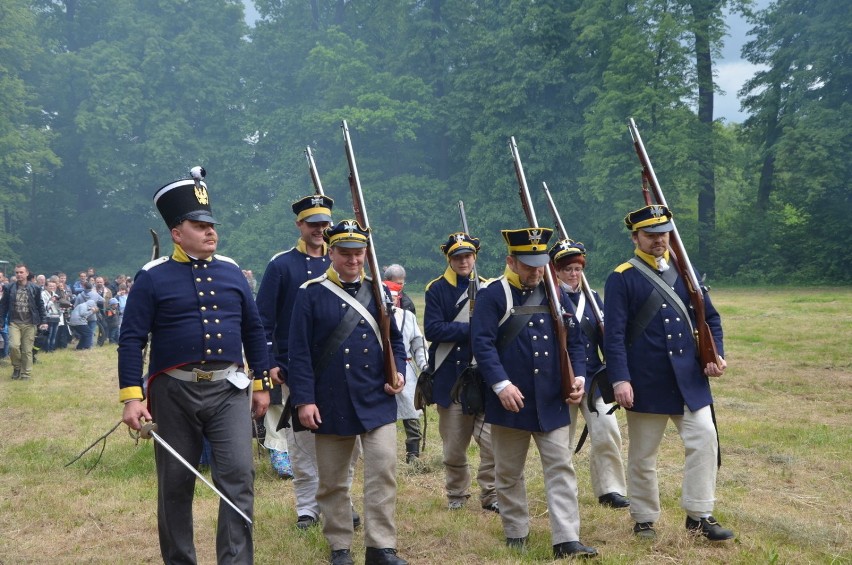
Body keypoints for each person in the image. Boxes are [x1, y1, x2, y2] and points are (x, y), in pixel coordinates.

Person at [118, 169, 272, 564]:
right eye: (199, 225)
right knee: (175, 485)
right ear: (176, 232)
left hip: (229, 390)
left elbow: (254, 330)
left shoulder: (232, 271)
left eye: (211, 225)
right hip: (173, 393)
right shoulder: (152, 277)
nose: (210, 232)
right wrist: (132, 398)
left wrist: (261, 383)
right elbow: (132, 340)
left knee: (239, 477)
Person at [603, 204, 733, 541]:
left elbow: (711, 318)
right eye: (650, 234)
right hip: (645, 380)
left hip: (689, 377)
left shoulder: (685, 270)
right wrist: (621, 379)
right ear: (636, 237)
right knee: (644, 454)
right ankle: (644, 517)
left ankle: (700, 513)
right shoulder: (621, 277)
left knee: (705, 438)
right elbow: (613, 335)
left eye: (663, 233)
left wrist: (715, 353)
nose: (658, 240)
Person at [470, 228, 597, 559]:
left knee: (561, 467)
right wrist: (501, 384)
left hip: (552, 399)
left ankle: (567, 539)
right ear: (511, 260)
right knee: (509, 472)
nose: (537, 271)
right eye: (529, 265)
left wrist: (579, 377)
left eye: (541, 265)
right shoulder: (492, 294)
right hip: (510, 401)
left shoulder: (555, 292)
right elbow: (482, 344)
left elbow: (577, 341)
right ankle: (516, 532)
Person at [288, 219, 408, 565]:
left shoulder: (380, 292)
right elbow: (299, 353)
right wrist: (304, 400)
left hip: (376, 397)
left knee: (383, 471)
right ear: (332, 252)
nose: (353, 260)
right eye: (346, 253)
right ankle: (340, 546)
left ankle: (381, 547)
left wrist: (397, 371)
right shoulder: (310, 293)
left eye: (359, 253)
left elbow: (395, 342)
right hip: (330, 400)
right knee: (333, 482)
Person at [255, 194, 361, 529]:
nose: (319, 229)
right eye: (312, 224)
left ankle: (341, 500)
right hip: (295, 366)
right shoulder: (281, 266)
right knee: (302, 443)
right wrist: (270, 360)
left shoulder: (343, 264)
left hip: (339, 368)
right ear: (299, 225)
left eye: (324, 224)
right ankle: (307, 507)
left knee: (348, 440)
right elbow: (264, 319)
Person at [550, 239, 629, 509]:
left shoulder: (593, 299)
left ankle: (611, 489)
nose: (574, 274)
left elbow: (607, 337)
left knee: (607, 431)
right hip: (563, 379)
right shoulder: (550, 299)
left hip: (594, 377)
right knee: (562, 439)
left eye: (577, 268)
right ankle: (564, 489)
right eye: (568, 269)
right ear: (556, 271)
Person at [423, 232, 498, 512]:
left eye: (467, 256)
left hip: (484, 378)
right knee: (454, 447)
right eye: (457, 256)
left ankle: (491, 494)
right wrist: (472, 329)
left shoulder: (489, 288)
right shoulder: (437, 289)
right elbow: (433, 329)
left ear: (474, 257)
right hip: (450, 378)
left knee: (493, 445)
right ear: (449, 259)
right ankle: (457, 493)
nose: (463, 260)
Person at [384, 266, 428, 463]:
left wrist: (425, 366)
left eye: (394, 296)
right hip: (382, 371)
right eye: (388, 295)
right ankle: (384, 454)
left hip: (407, 370)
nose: (391, 300)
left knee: (411, 411)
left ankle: (413, 454)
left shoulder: (408, 317)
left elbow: (418, 344)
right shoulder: (374, 317)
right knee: (384, 414)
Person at [0, 264, 48, 379]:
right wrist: (1, 322)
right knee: (14, 346)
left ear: (26, 273)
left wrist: (44, 321)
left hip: (30, 323)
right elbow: (3, 306)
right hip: (14, 322)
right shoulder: (9, 288)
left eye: (21, 272)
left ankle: (26, 373)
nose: (19, 275)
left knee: (27, 350)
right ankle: (17, 367)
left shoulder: (35, 288)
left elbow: (40, 305)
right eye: (17, 272)